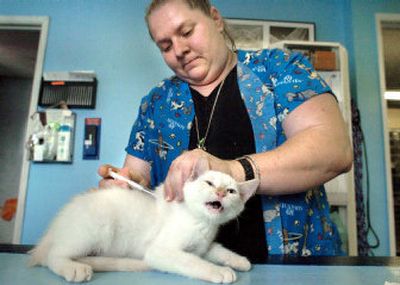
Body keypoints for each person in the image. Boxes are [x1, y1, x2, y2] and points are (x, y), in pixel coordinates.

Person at [99, 0, 353, 261]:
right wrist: (127, 191)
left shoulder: (280, 70)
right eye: (165, 46)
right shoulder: (156, 103)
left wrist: (230, 171)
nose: (179, 50)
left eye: (186, 32)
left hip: (292, 269)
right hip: (186, 270)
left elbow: (334, 149)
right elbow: (137, 177)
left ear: (216, 19)